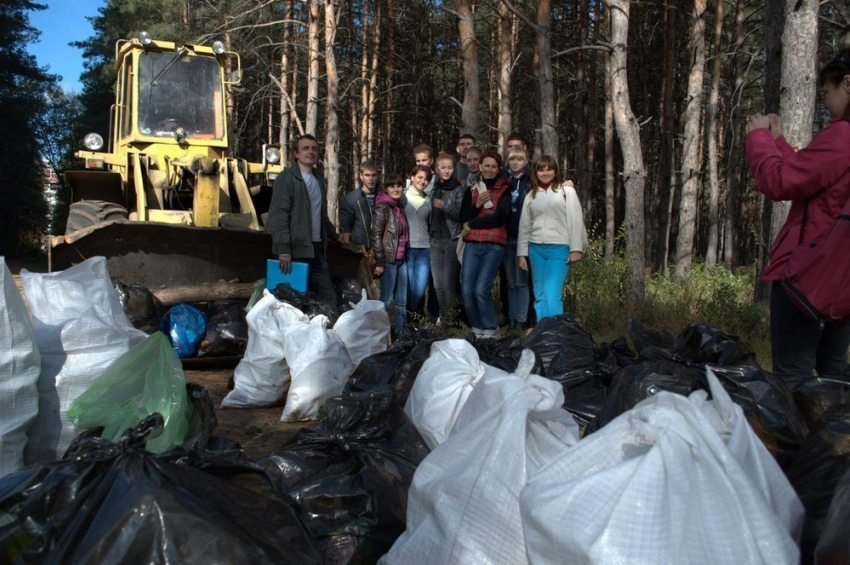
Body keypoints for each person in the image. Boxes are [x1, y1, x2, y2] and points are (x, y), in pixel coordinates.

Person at [745, 47, 850, 387]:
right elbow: (813, 181)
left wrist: (758, 137)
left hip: (805, 278)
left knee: (792, 381)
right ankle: (835, 440)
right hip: (842, 284)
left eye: (827, 92)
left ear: (847, 83)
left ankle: (796, 441)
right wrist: (779, 144)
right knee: (835, 376)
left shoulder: (843, 136)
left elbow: (778, 182)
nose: (825, 101)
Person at [268, 134, 339, 311]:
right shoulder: (287, 179)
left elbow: (319, 216)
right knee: (291, 303)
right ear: (296, 153)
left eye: (314, 148)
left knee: (328, 298)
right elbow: (278, 215)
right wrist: (284, 249)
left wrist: (335, 235)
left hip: (316, 249)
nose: (311, 152)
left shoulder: (317, 178)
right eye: (305, 148)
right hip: (293, 252)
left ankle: (323, 336)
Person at [517, 155, 588, 321]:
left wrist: (576, 249)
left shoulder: (566, 192)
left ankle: (557, 333)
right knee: (540, 294)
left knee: (552, 294)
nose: (545, 172)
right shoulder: (531, 196)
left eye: (549, 169)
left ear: (555, 171)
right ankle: (543, 333)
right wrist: (522, 253)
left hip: (559, 249)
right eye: (541, 169)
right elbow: (524, 226)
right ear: (536, 172)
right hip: (536, 250)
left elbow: (575, 220)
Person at [459, 151, 512, 337]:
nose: (490, 169)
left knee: (482, 288)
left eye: (493, 166)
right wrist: (477, 206)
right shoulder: (472, 189)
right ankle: (477, 327)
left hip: (494, 244)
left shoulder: (505, 188)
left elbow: (500, 218)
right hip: (472, 244)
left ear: (498, 169)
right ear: (480, 166)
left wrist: (473, 223)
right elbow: (462, 216)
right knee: (467, 289)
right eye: (486, 165)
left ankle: (490, 327)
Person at [371, 173, 410, 333]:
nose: (396, 189)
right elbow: (376, 235)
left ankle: (401, 336)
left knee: (402, 301)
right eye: (392, 186)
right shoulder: (382, 206)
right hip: (389, 260)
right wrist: (380, 262)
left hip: (402, 259)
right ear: (386, 189)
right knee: (386, 300)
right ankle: (377, 335)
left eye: (399, 186)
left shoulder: (398, 206)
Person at [429, 153, 463, 322]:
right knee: (438, 285)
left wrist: (445, 206)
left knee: (449, 285)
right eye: (443, 167)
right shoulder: (432, 189)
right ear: (437, 169)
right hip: (434, 240)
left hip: (452, 239)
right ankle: (444, 318)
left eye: (450, 167)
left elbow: (462, 215)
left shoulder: (458, 189)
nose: (447, 170)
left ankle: (453, 321)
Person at [503, 148, 532, 329]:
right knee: (510, 282)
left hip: (524, 238)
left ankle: (521, 320)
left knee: (521, 282)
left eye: (519, 160)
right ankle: (512, 319)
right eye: (512, 160)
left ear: (525, 162)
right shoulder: (505, 182)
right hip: (506, 237)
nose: (515, 163)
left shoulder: (530, 182)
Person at [405, 165, 433, 315]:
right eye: (420, 177)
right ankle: (406, 324)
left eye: (426, 179)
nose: (422, 181)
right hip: (407, 249)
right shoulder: (402, 197)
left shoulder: (428, 200)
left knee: (420, 290)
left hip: (424, 249)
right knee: (407, 289)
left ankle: (414, 321)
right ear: (412, 177)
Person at [339, 160, 379, 253]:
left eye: (374, 175)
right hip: (361, 250)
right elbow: (346, 228)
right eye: (367, 175)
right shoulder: (351, 198)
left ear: (378, 176)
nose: (371, 179)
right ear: (361, 176)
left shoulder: (384, 196)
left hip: (383, 249)